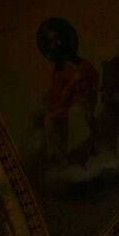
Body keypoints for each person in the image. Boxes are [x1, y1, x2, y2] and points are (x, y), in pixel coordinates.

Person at [36, 18, 99, 166]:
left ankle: (78, 152)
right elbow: (60, 99)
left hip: (85, 103)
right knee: (49, 121)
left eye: (57, 39)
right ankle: (61, 155)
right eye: (51, 42)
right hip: (68, 106)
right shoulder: (58, 73)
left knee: (76, 113)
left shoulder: (83, 64)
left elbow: (96, 83)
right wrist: (70, 84)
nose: (56, 44)